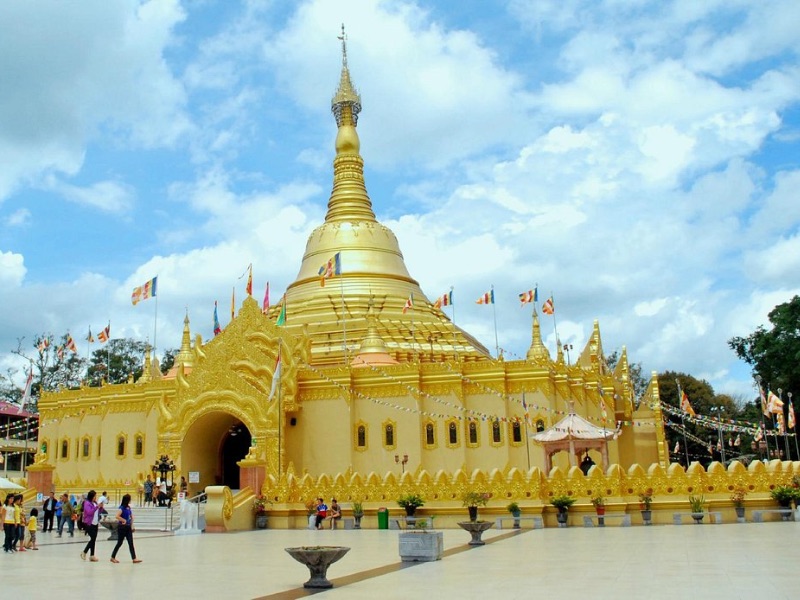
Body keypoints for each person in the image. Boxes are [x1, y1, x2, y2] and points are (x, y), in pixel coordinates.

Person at [109, 494, 142, 564]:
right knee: (119, 543)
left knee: (131, 542)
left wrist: (132, 523)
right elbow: (117, 516)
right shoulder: (122, 508)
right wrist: (124, 520)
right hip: (122, 527)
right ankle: (112, 557)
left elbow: (131, 516)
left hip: (128, 527)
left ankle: (134, 558)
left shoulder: (128, 508)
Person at [80, 490, 100, 562]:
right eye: (94, 496)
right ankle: (84, 552)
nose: (95, 497)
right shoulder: (87, 503)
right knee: (93, 538)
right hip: (89, 523)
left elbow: (96, 512)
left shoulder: (94, 503)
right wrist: (97, 507)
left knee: (93, 539)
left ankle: (92, 555)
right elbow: (89, 512)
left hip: (95, 523)